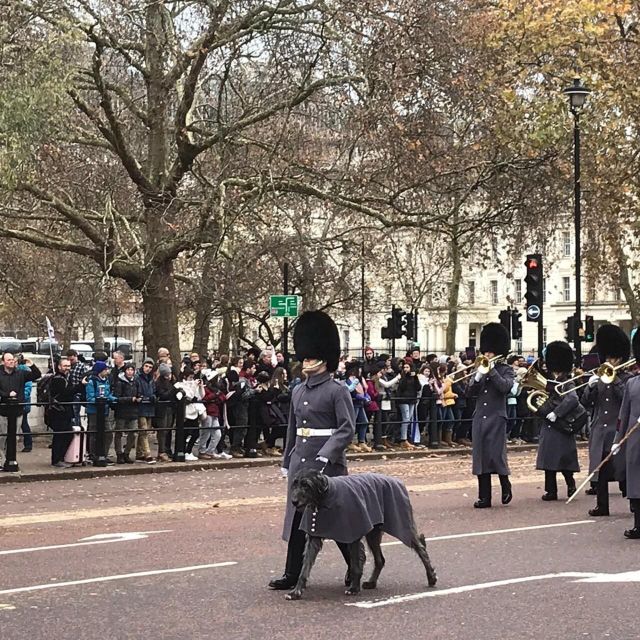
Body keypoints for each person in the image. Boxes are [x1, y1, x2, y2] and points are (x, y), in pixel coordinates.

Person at [268, 310, 355, 591]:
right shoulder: (298, 390)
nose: (305, 360)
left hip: (327, 465)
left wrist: (327, 454)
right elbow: (293, 429)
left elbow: (346, 428)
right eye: (303, 356)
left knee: (338, 520)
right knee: (296, 519)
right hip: (300, 461)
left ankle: (355, 567)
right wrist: (286, 460)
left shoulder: (336, 390)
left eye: (310, 356)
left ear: (324, 358)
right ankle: (292, 573)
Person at [581, 325, 632, 517]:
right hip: (600, 431)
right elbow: (586, 402)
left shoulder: (627, 378)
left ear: (621, 358)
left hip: (618, 430)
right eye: (608, 358)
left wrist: (615, 380)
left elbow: (626, 398)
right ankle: (602, 505)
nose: (611, 361)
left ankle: (633, 504)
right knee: (601, 471)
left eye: (614, 358)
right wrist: (591, 387)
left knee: (623, 470)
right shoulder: (599, 378)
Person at [466, 323, 515, 508]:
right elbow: (469, 392)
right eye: (485, 353)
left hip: (496, 417)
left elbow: (505, 387)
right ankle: (484, 497)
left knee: (496, 455)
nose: (486, 356)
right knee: (480, 457)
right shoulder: (480, 368)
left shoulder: (506, 370)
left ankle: (505, 486)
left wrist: (491, 371)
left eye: (489, 353)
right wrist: (478, 377)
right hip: (480, 417)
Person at [535, 341, 582, 501]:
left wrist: (556, 413)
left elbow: (572, 399)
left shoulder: (567, 382)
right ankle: (551, 491)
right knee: (549, 460)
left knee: (564, 460)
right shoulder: (549, 380)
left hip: (561, 425)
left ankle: (571, 484)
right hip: (549, 426)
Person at [613, 329, 640, 538]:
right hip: (634, 440)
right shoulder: (632, 382)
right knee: (635, 482)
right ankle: (638, 525)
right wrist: (617, 440)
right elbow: (623, 414)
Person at [0, 352, 41, 467]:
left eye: (12, 359)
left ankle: (11, 459)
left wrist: (32, 365)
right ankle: (2, 460)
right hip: (3, 410)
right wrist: (7, 394)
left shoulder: (21, 373)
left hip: (17, 409)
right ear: (3, 362)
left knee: (15, 436)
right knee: (2, 436)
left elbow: (36, 375)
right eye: (8, 360)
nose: (11, 361)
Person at [49, 358, 82, 467]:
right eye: (65, 366)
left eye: (68, 366)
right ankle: (57, 459)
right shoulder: (58, 379)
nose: (67, 368)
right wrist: (80, 385)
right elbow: (65, 393)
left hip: (65, 410)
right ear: (59, 367)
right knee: (60, 435)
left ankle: (61, 457)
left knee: (66, 434)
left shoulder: (66, 378)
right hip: (59, 411)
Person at [85, 361, 118, 464]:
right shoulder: (91, 382)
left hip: (104, 410)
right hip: (94, 411)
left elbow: (107, 394)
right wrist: (100, 401)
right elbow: (90, 398)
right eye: (105, 369)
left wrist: (114, 399)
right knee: (93, 433)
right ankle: (93, 454)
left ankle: (104, 453)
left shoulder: (106, 381)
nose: (107, 371)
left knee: (108, 433)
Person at [113, 362, 142, 464]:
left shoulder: (136, 381)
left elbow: (139, 392)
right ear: (125, 371)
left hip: (133, 411)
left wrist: (139, 397)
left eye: (132, 370)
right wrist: (130, 399)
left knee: (133, 433)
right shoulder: (120, 382)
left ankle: (127, 453)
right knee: (119, 433)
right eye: (128, 370)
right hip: (122, 411)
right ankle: (119, 453)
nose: (130, 372)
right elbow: (117, 397)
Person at [135, 358, 156, 463]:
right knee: (144, 430)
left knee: (144, 431)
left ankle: (139, 453)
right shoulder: (137, 378)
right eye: (146, 366)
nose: (148, 369)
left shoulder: (151, 379)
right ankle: (147, 453)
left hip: (149, 407)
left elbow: (154, 390)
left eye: (150, 367)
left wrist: (153, 397)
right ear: (143, 366)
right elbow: (137, 392)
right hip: (141, 407)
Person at [396, 360, 420, 450]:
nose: (406, 369)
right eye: (404, 367)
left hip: (412, 399)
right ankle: (403, 439)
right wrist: (405, 376)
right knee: (405, 419)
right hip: (404, 399)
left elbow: (418, 387)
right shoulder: (402, 377)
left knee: (408, 419)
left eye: (407, 367)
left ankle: (405, 438)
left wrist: (416, 377)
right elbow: (402, 387)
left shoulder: (414, 377)